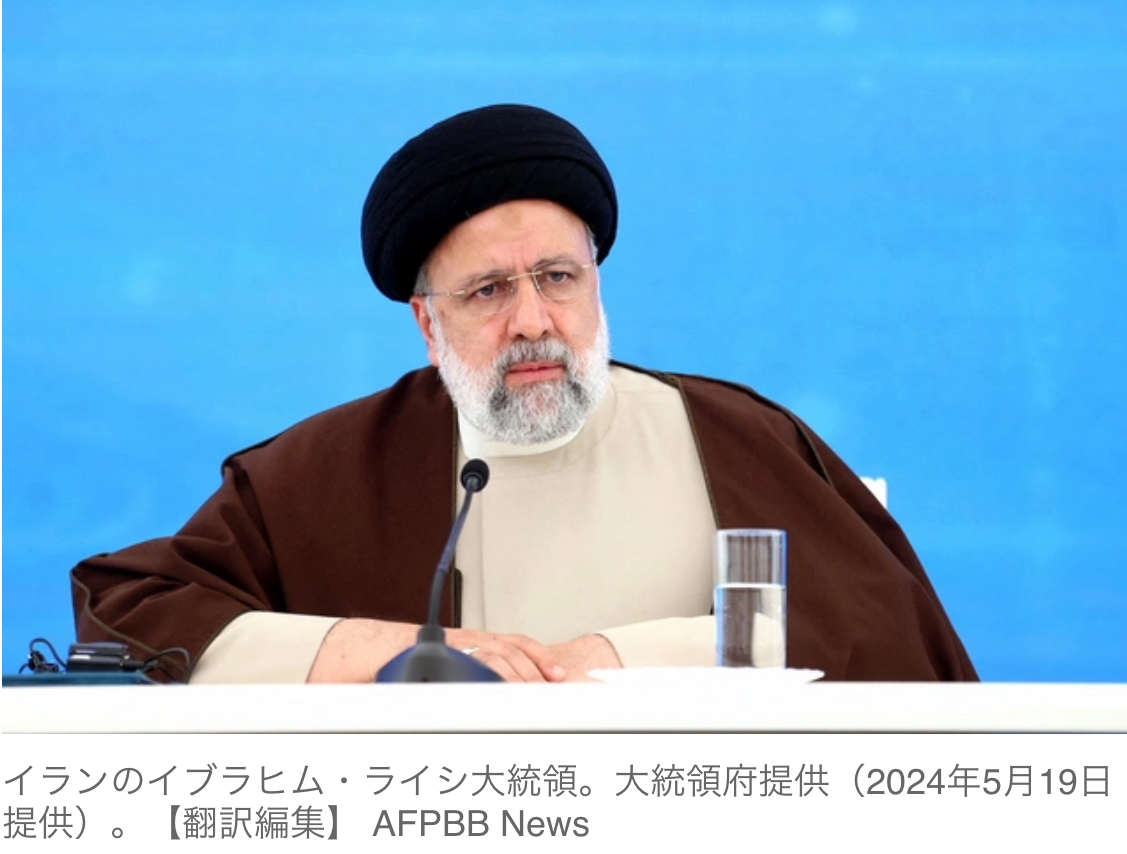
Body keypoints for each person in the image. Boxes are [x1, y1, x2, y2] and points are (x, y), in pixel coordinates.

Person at [71, 104, 977, 684]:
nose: (533, 321)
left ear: (596, 284)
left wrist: (605, 660)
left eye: (557, 278)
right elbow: (130, 615)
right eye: (488, 291)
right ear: (427, 324)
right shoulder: (327, 470)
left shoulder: (736, 438)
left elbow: (880, 630)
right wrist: (392, 650)